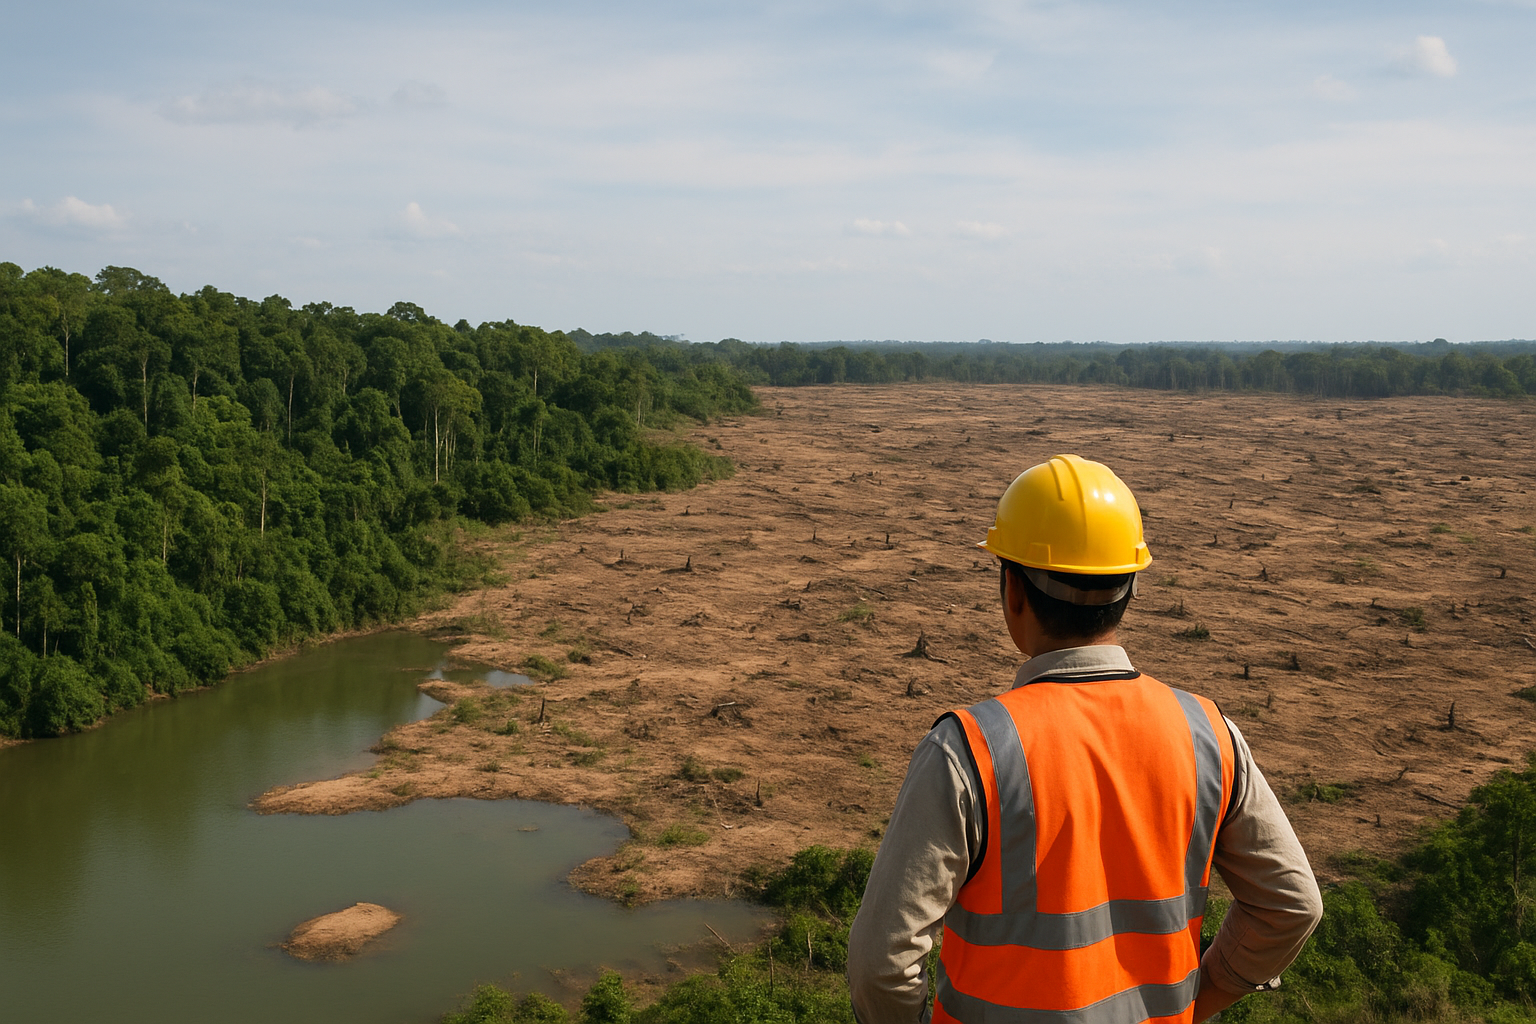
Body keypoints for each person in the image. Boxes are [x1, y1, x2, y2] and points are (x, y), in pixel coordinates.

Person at [847, 454, 1322, 1024]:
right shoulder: (1208, 733)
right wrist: (1203, 998)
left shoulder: (969, 750)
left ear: (1013, 593)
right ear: (1130, 590)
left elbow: (881, 963)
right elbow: (1291, 905)